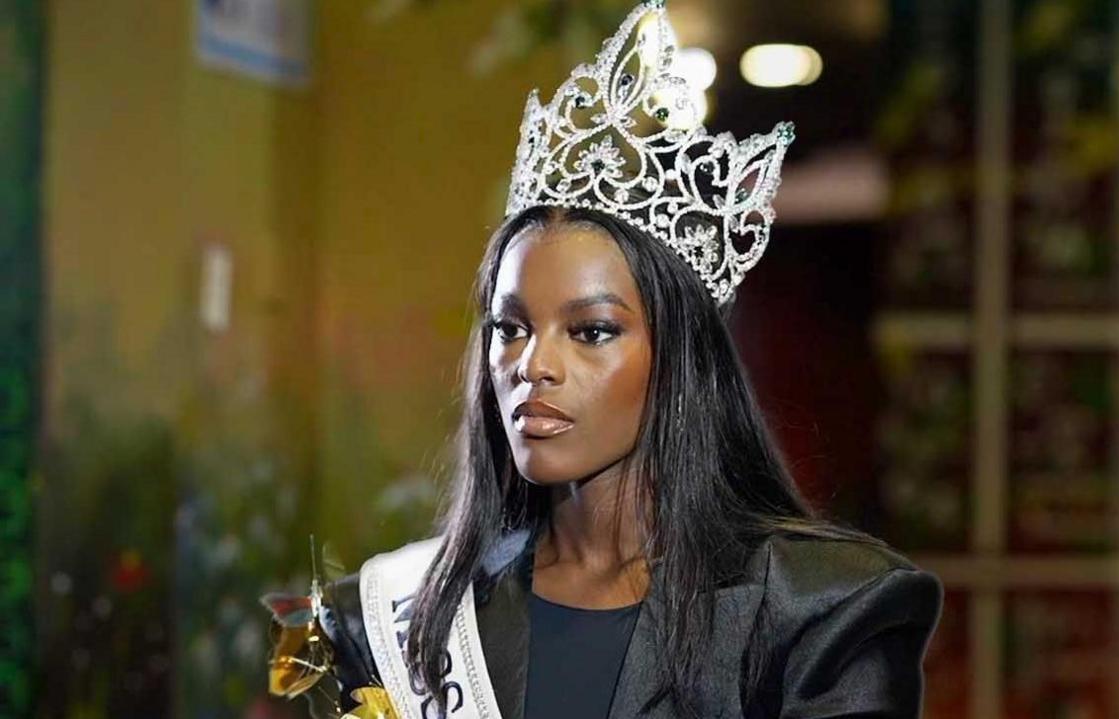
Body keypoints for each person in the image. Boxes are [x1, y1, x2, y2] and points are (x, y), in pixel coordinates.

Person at [265, 2, 942, 718]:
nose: (533, 364)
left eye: (589, 331)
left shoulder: (823, 615)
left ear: (678, 360)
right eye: (509, 327)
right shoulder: (387, 621)